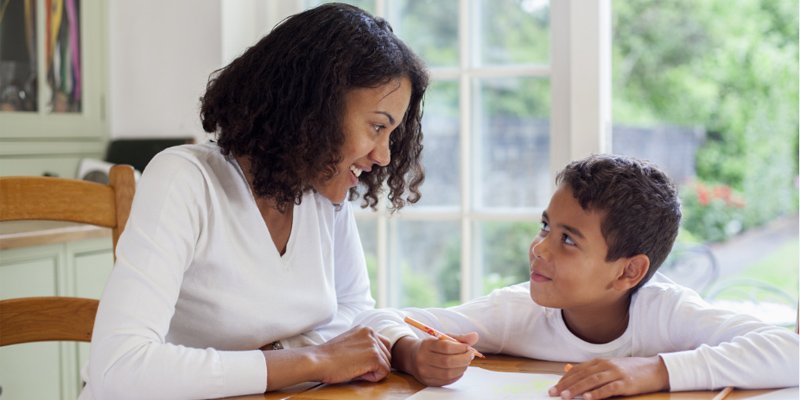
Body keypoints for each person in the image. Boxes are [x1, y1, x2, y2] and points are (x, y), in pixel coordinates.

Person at [81, 3, 428, 399]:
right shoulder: (186, 180)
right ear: (314, 108)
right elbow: (119, 368)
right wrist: (313, 360)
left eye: (391, 134)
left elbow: (356, 316)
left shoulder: (322, 194)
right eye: (377, 126)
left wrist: (286, 354)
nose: (384, 155)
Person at [355, 154, 800, 399]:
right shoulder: (517, 311)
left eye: (568, 240)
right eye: (546, 226)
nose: (539, 247)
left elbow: (791, 350)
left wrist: (656, 371)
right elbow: (378, 320)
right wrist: (411, 353)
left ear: (630, 271)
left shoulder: (667, 313)